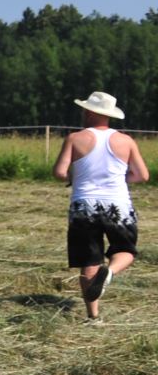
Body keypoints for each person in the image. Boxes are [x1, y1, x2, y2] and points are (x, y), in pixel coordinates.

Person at [52, 90, 145, 322]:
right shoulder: (126, 140)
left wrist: (74, 179)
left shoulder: (75, 138)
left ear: (91, 112)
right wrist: (121, 180)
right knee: (125, 251)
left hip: (84, 205)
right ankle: (111, 272)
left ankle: (94, 318)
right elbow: (142, 175)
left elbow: (59, 172)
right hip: (118, 204)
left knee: (89, 260)